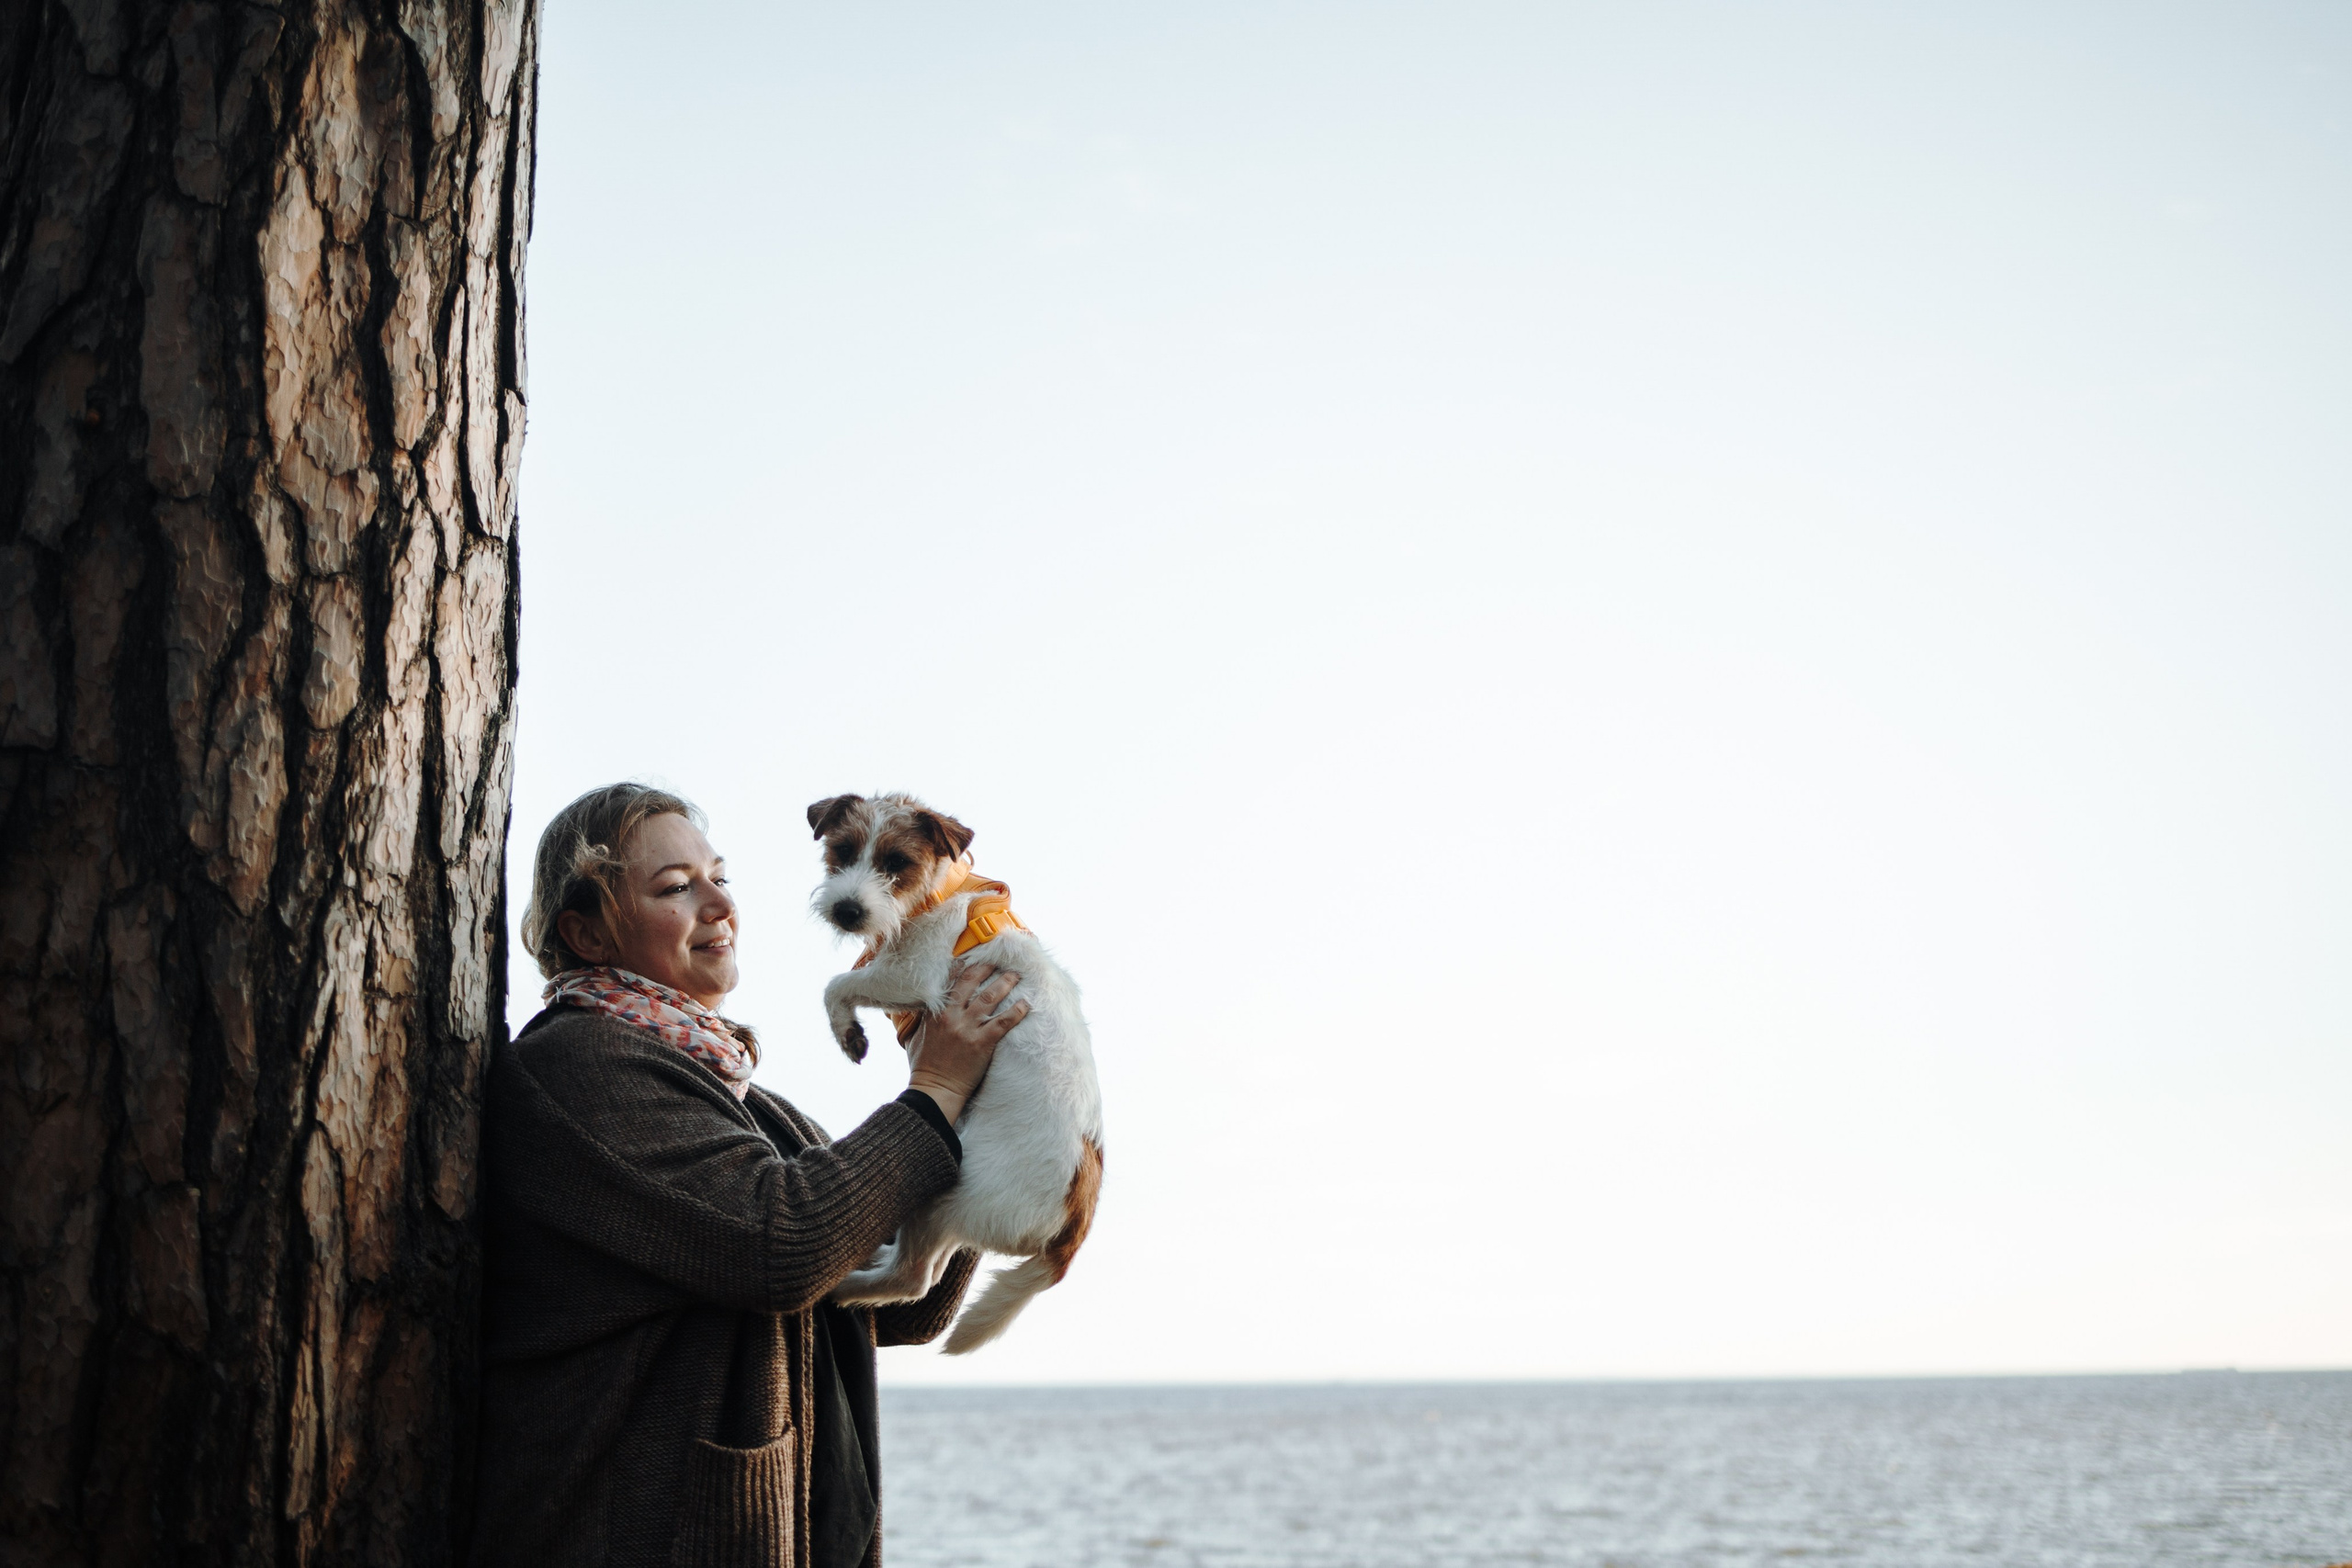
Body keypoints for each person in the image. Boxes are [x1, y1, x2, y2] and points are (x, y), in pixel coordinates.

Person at [470, 783, 1028, 1568]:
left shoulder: (756, 1108)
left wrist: (981, 1095)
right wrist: (936, 1090)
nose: (720, 905)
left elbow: (906, 1301)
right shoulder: (576, 1069)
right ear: (587, 933)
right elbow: (782, 1244)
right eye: (675, 887)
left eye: (720, 877)